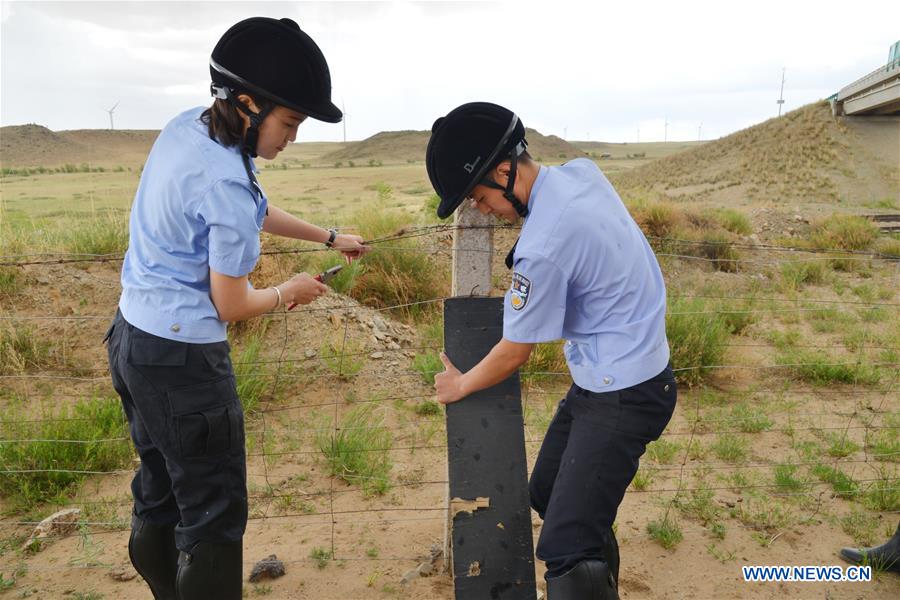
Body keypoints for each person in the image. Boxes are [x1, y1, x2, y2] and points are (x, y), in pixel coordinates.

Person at [104, 17, 368, 600]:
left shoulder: (190, 130)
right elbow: (231, 302)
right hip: (184, 362)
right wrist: (287, 293)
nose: (293, 137)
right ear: (248, 104)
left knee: (160, 493)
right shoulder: (226, 177)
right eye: (290, 122)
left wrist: (327, 237)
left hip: (132, 341)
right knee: (215, 516)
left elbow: (251, 207)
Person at [427, 102, 677, 600]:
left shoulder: (542, 246)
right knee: (545, 493)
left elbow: (514, 351)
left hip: (624, 392)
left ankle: (585, 569)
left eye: (478, 197)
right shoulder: (580, 174)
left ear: (504, 171)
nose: (480, 210)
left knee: (565, 544)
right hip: (611, 375)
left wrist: (460, 385)